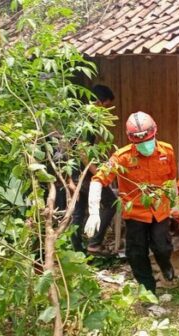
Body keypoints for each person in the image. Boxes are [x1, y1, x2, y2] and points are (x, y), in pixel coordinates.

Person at [85, 111, 177, 294]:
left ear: (155, 132)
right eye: (139, 143)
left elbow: (171, 179)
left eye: (147, 140)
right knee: (136, 252)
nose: (145, 146)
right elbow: (98, 179)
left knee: (162, 246)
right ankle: (148, 288)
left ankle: (166, 266)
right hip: (135, 212)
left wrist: (175, 204)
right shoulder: (122, 157)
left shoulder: (167, 151)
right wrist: (94, 211)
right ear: (131, 139)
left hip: (160, 209)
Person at [70, 84, 117, 254]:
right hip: (83, 174)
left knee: (79, 211)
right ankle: (94, 243)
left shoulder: (78, 117)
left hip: (75, 172)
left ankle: (77, 251)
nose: (106, 111)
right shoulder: (85, 121)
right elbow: (82, 151)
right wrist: (98, 173)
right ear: (97, 102)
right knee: (112, 203)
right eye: (105, 106)